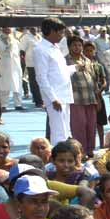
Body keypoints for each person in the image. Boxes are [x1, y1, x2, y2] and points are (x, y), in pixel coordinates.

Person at [33, 17, 73, 146]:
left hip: (64, 94)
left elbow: (60, 71)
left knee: (66, 129)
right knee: (58, 131)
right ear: (51, 31)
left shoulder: (55, 48)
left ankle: (66, 156)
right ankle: (58, 159)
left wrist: (76, 68)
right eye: (60, 32)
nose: (62, 35)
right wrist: (53, 98)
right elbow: (41, 77)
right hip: (55, 97)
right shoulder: (40, 49)